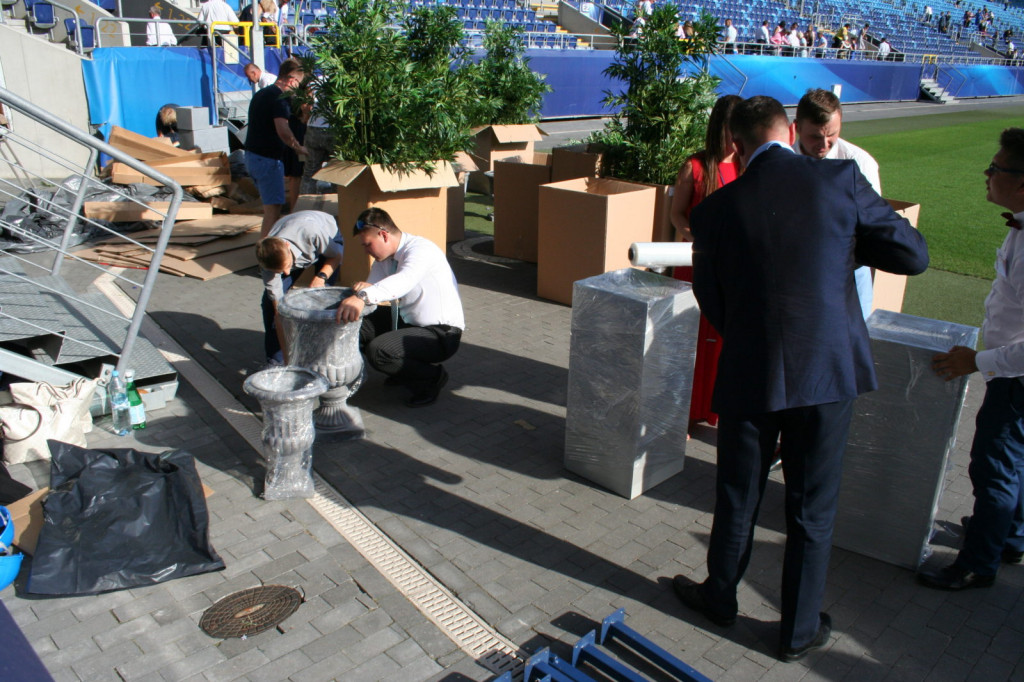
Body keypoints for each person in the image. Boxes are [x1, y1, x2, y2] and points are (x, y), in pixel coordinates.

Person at [670, 95, 928, 663]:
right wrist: (840, 250)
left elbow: (710, 298)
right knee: (813, 506)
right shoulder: (840, 181)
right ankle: (797, 630)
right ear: (790, 132)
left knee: (738, 495)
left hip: (750, 369)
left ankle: (720, 596)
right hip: (827, 371)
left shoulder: (716, 210)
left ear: (735, 144)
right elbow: (912, 256)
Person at [918, 128, 1024, 591]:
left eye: (996, 168)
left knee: (993, 465)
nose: (987, 174)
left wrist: (978, 362)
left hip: (1013, 375)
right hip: (1009, 368)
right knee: (1013, 461)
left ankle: (978, 563)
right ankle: (1010, 537)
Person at [335, 208, 464, 408]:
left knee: (379, 351)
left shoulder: (421, 250)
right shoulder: (384, 258)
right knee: (354, 324)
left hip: (441, 334)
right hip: (409, 323)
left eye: (368, 244)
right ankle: (400, 370)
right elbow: (374, 289)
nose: (365, 250)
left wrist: (362, 296)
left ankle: (432, 378)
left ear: (384, 235)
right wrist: (362, 293)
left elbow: (403, 281)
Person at [669, 95, 742, 430]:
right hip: (695, 267)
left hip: (732, 271)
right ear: (719, 129)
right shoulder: (695, 167)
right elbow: (677, 214)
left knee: (723, 343)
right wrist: (694, 239)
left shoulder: (748, 166)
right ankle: (681, 412)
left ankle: (712, 410)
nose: (737, 138)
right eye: (732, 130)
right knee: (688, 341)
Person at [792, 88, 882, 319]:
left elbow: (872, 224)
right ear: (797, 127)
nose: (824, 144)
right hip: (797, 270)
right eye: (815, 137)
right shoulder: (783, 161)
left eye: (832, 134)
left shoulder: (860, 163)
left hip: (850, 271)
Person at [256, 210, 344, 365]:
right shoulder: (268, 268)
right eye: (280, 272)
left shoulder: (312, 233)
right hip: (294, 239)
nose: (287, 273)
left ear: (288, 246)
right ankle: (276, 361)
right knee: (270, 305)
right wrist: (288, 361)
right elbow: (279, 315)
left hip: (326, 237)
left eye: (288, 266)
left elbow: (336, 256)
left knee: (321, 302)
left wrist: (321, 277)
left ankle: (320, 358)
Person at [244, 58, 309, 238]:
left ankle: (266, 251)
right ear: (291, 80)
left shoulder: (261, 94)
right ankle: (266, 256)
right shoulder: (279, 99)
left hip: (252, 156)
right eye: (297, 84)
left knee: (271, 207)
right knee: (273, 211)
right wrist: (299, 147)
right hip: (268, 159)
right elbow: (283, 130)